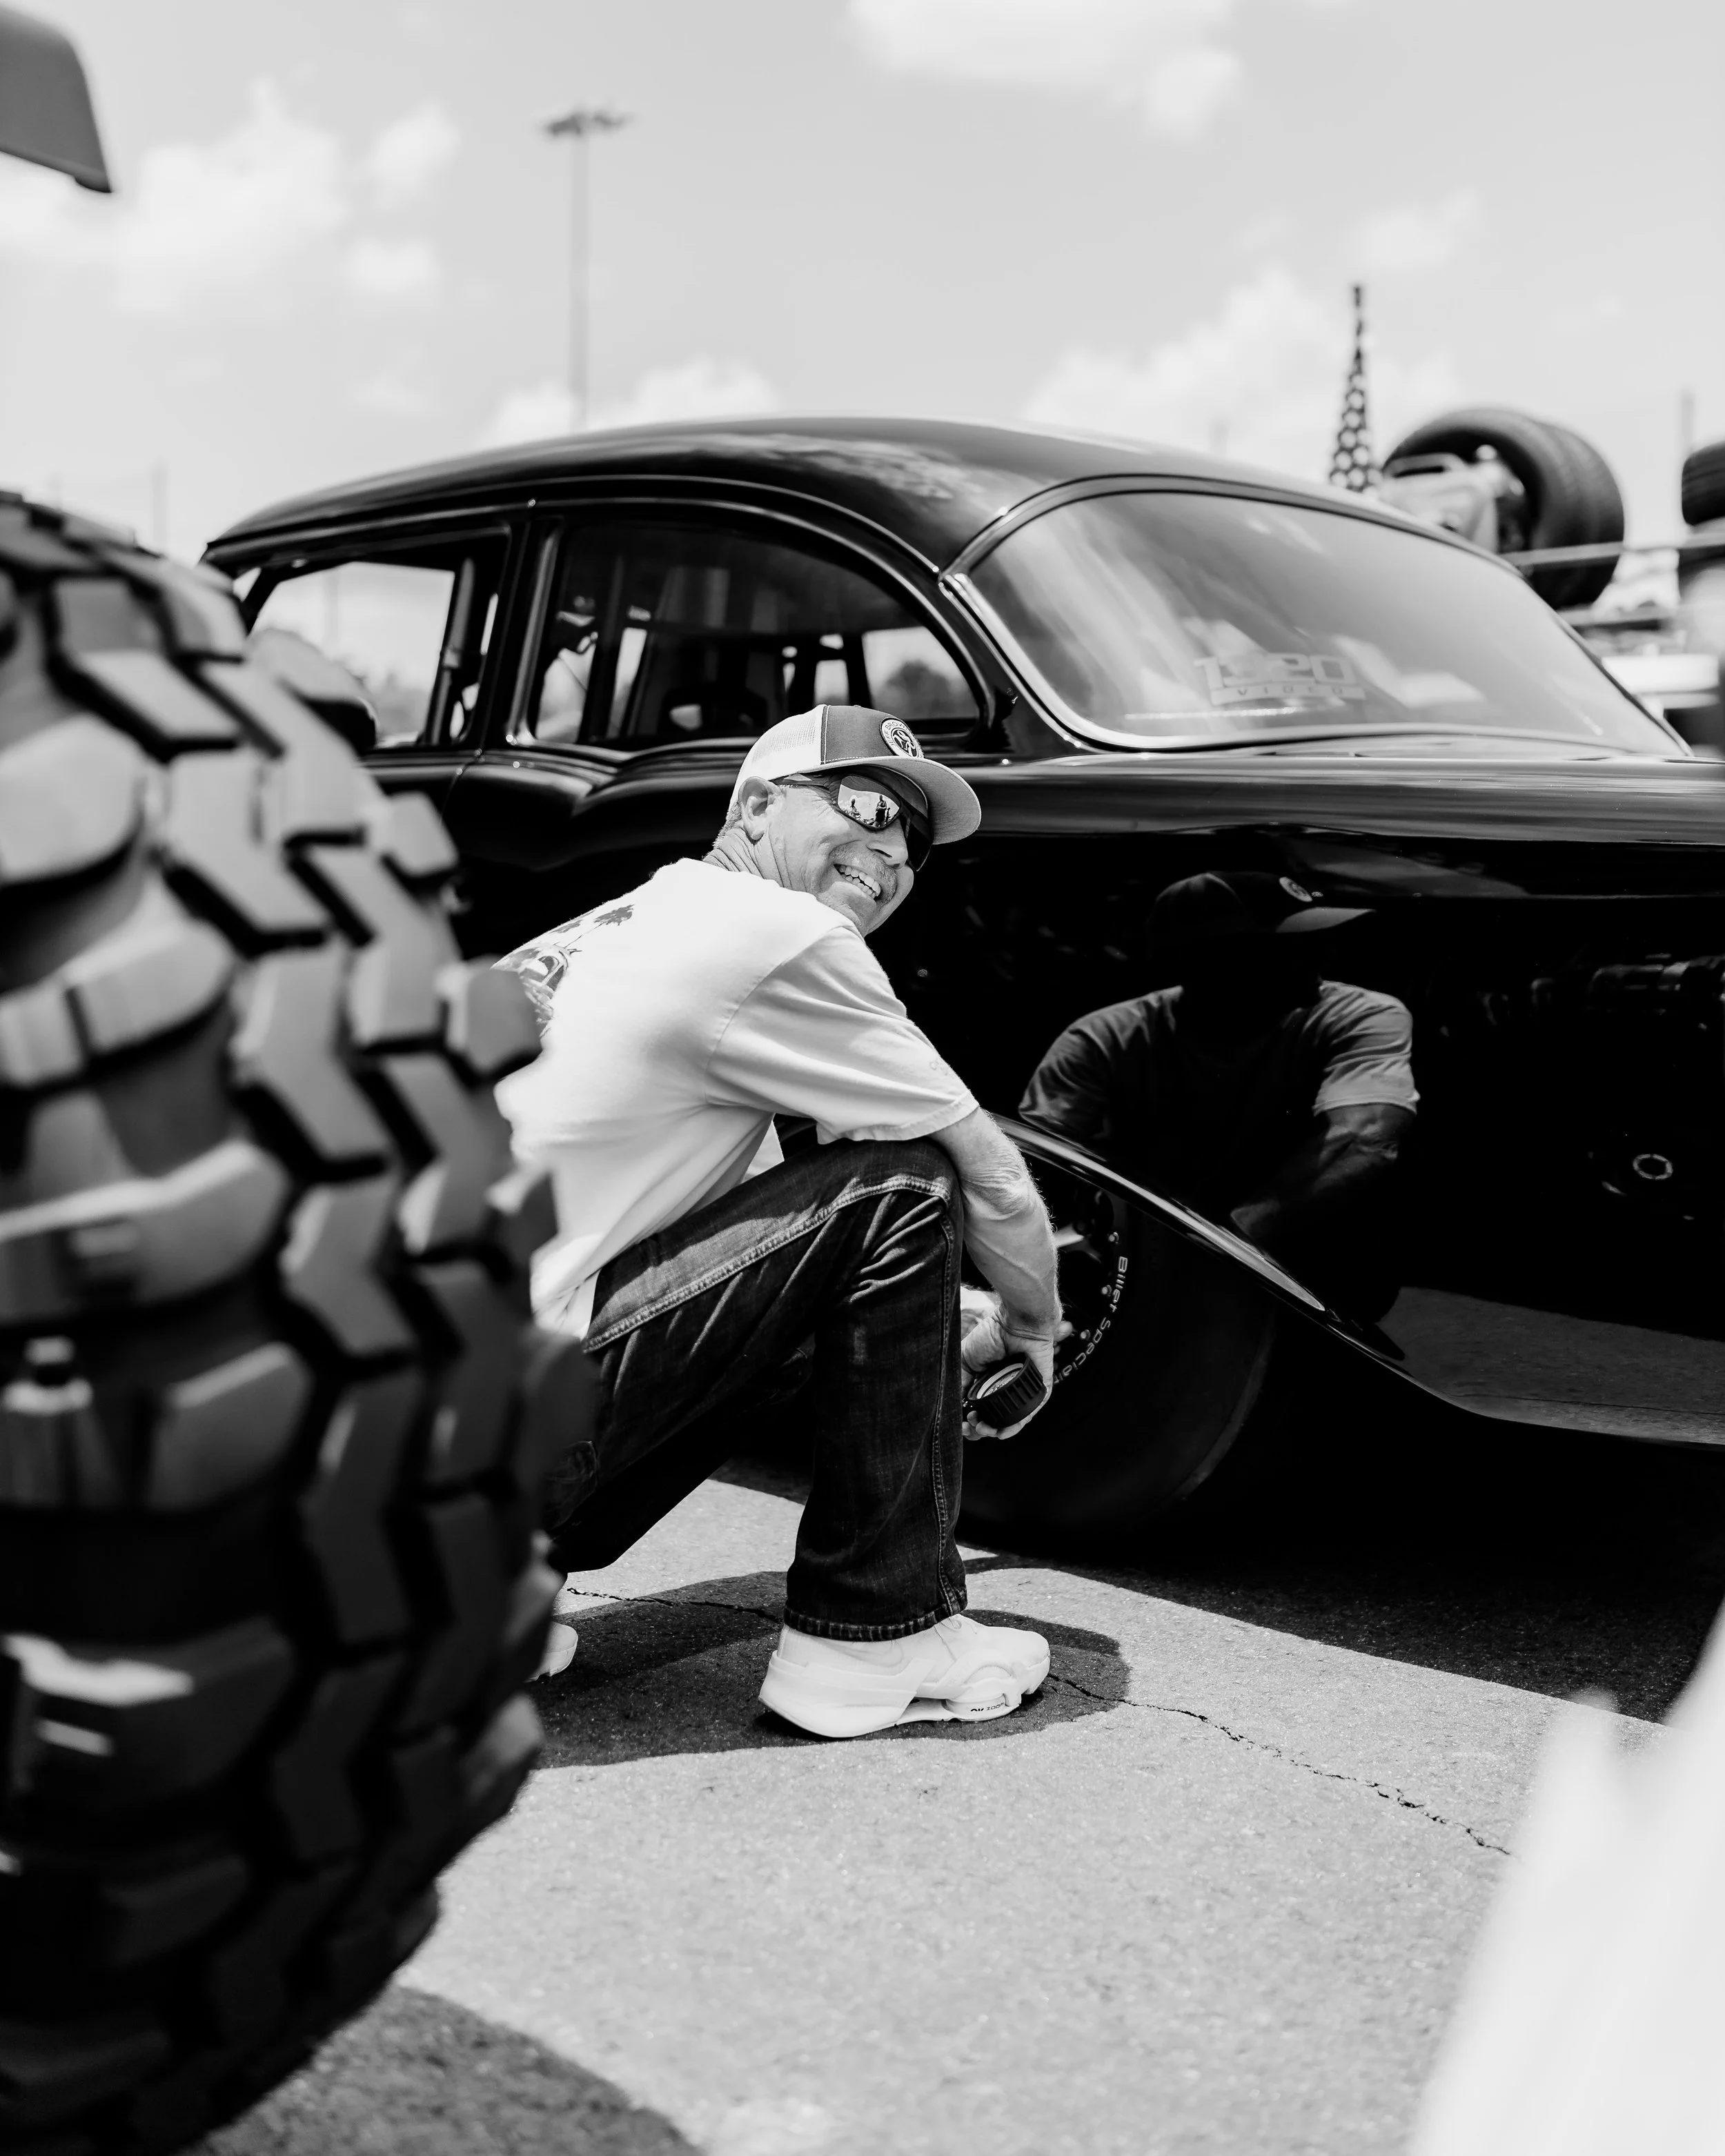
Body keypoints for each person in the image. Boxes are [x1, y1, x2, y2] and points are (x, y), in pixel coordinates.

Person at [497, 705, 1062, 1739]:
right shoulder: (778, 931)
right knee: (901, 1183)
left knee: (845, 1232)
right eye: (865, 805)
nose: (892, 852)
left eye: (914, 840)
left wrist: (953, 1322)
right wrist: (1036, 1325)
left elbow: (763, 1266)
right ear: (756, 803)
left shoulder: (619, 927)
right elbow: (989, 1177)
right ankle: (875, 1634)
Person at [1019, 870, 1417, 1317]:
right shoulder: (1102, 1040)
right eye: (1295, 944)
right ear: (1212, 960)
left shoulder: (1360, 1016)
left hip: (1312, 1286)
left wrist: (1220, 1249)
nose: (1327, 952)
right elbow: (1033, 1177)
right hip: (1146, 1286)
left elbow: (1364, 1139)